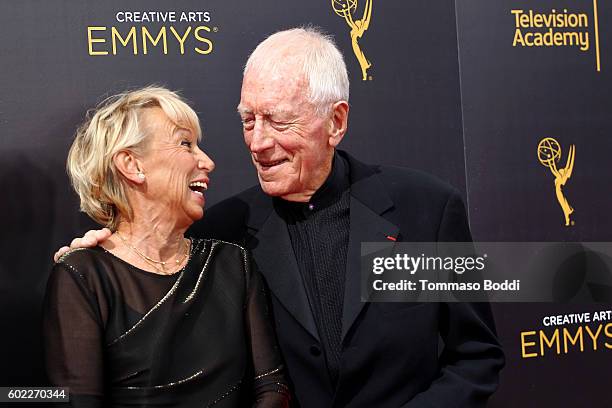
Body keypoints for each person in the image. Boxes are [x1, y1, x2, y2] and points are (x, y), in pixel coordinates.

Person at [56, 28, 505, 407]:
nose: (257, 142)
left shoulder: (426, 209)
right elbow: (151, 260)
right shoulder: (225, 232)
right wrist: (103, 252)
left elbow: (476, 355)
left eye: (279, 122)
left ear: (336, 122)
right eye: (248, 120)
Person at [45, 87, 290, 407]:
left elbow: (273, 388)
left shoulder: (232, 263)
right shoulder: (83, 276)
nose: (208, 162)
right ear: (131, 164)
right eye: (185, 144)